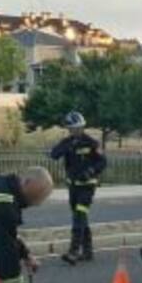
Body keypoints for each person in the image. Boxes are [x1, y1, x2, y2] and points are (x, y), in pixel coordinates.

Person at [49, 111, 106, 265]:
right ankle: (88, 252)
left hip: (87, 186)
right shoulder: (67, 142)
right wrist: (64, 147)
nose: (76, 130)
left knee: (79, 216)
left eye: (79, 127)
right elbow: (53, 154)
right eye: (73, 128)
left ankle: (74, 251)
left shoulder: (91, 143)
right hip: (73, 187)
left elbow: (102, 162)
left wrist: (91, 171)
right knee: (81, 218)